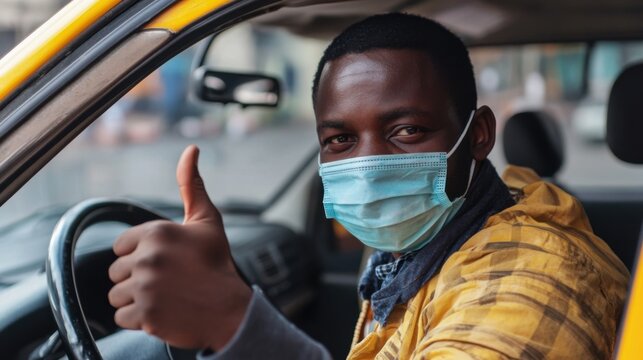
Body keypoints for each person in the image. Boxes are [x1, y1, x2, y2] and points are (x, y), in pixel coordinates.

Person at [107, 13, 629, 359]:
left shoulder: (534, 278)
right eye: (339, 139)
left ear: (478, 136)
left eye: (406, 131)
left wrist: (233, 323)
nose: (370, 164)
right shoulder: (425, 245)